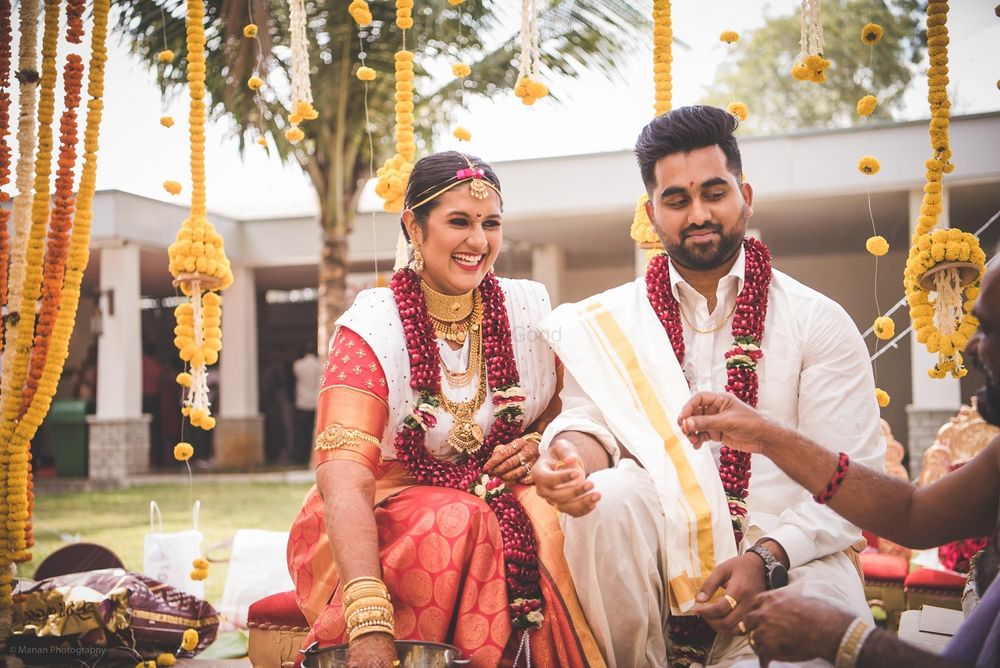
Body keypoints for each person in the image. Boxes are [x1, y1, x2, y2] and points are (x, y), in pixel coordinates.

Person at [531, 105, 884, 667]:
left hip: (794, 563)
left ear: (746, 195)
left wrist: (766, 558)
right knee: (608, 497)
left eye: (714, 193)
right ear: (652, 213)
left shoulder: (816, 320)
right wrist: (569, 460)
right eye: (677, 200)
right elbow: (590, 421)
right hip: (657, 557)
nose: (698, 214)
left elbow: (855, 482)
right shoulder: (614, 320)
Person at [286, 151, 604, 668]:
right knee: (463, 518)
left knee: (560, 511)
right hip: (384, 507)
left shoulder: (528, 308)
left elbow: (567, 412)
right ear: (413, 225)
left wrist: (532, 444)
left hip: (499, 489)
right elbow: (344, 475)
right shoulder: (372, 324)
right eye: (459, 221)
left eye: (491, 223)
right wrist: (368, 616)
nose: (478, 242)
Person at [675, 255, 999, 668]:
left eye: (987, 328)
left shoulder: (814, 317)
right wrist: (767, 435)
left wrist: (840, 637)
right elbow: (912, 513)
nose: (972, 345)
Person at [292, 344, 321, 465]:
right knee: (312, 432)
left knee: (301, 432)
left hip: (301, 402)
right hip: (315, 402)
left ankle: (300, 458)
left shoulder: (298, 365)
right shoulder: (319, 364)